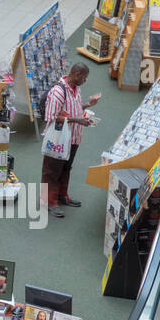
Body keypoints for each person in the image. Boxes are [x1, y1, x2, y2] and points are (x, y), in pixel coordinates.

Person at [42, 63, 100, 219]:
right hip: (58, 140)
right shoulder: (58, 92)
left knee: (66, 168)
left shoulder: (75, 88)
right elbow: (52, 117)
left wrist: (87, 105)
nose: (85, 81)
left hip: (73, 138)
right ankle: (49, 201)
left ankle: (61, 195)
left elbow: (73, 107)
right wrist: (78, 120)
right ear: (76, 74)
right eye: (84, 77)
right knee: (51, 171)